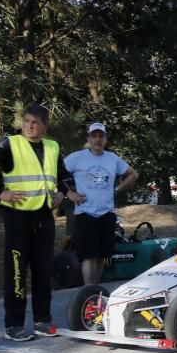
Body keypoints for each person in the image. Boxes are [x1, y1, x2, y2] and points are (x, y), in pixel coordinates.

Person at [0, 103, 75, 341]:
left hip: (43, 217)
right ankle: (14, 324)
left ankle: (42, 321)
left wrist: (62, 191)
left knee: (43, 270)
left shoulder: (53, 147)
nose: (29, 126)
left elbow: (65, 176)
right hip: (18, 217)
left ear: (44, 127)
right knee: (17, 272)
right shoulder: (10, 143)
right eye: (26, 121)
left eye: (35, 122)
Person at [63, 122, 138, 285]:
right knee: (89, 256)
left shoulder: (112, 158)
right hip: (85, 213)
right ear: (88, 138)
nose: (97, 139)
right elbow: (55, 174)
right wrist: (70, 194)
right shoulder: (76, 158)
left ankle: (95, 292)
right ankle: (88, 292)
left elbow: (133, 174)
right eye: (94, 136)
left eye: (101, 136)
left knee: (101, 256)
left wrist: (117, 189)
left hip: (106, 213)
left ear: (105, 139)